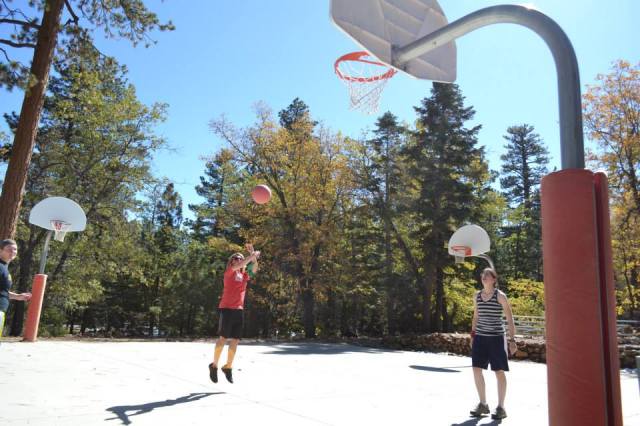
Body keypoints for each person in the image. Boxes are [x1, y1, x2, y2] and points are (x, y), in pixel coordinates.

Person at [469, 267, 517, 420]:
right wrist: (472, 335)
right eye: (483, 275)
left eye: (488, 275)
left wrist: (512, 340)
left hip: (496, 338)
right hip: (480, 338)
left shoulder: (500, 296)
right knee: (476, 369)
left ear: (494, 279)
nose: (484, 277)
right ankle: (483, 404)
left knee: (499, 371)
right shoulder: (477, 296)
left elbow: (509, 319)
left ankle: (501, 407)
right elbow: (475, 317)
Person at [208, 244, 260, 384]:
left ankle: (228, 366)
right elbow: (243, 263)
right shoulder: (229, 272)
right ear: (231, 261)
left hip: (238, 310)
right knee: (223, 338)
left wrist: (253, 256)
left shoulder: (244, 275)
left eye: (240, 258)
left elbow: (254, 268)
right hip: (226, 308)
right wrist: (252, 256)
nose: (239, 260)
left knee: (236, 340)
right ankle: (214, 365)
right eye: (236, 258)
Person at [0, 239, 32, 339]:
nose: (13, 252)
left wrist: (18, 296)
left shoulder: (4, 267)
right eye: (9, 249)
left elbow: (2, 291)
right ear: (0, 250)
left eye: (15, 249)